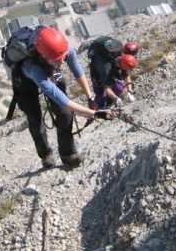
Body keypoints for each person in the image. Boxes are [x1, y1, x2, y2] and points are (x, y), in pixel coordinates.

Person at [10, 26, 108, 169]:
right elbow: (63, 100)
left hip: (48, 67)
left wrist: (90, 98)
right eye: (58, 61)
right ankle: (45, 155)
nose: (62, 63)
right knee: (35, 118)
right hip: (24, 81)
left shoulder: (62, 50)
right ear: (43, 56)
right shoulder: (32, 67)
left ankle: (68, 154)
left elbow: (77, 72)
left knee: (65, 113)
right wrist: (94, 113)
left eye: (62, 59)